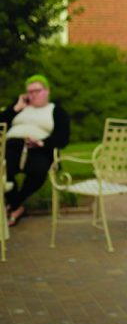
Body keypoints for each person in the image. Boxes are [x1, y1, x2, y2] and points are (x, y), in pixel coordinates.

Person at [1, 75, 71, 227]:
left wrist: (41, 142)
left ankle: (14, 205)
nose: (33, 95)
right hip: (11, 146)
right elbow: (1, 123)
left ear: (47, 91)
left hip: (38, 149)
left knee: (38, 170)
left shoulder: (56, 111)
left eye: (37, 91)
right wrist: (15, 109)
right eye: (29, 92)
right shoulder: (19, 107)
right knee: (3, 170)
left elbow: (63, 138)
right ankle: (16, 206)